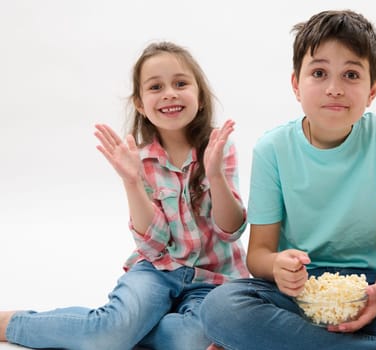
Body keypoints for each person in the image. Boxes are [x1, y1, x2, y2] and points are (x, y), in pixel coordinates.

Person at [199, 9, 376, 350]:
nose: (334, 89)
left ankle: (300, 341)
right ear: (296, 84)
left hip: (367, 288)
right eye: (319, 73)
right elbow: (259, 254)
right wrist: (278, 265)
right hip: (296, 290)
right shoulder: (272, 148)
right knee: (220, 308)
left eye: (351, 75)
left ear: (372, 90)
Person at [0, 41, 249, 350]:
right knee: (109, 333)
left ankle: (123, 328)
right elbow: (153, 244)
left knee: (194, 341)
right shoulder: (140, 159)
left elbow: (231, 229)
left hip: (214, 278)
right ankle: (13, 324)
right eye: (156, 87)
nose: (169, 92)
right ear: (141, 105)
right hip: (158, 271)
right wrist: (131, 181)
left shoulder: (218, 147)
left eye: (180, 83)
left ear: (199, 98)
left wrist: (214, 176)